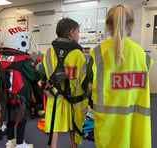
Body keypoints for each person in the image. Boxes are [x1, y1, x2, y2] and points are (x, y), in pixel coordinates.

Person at [89, 4, 153, 148]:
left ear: (107, 25)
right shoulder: (143, 56)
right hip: (136, 128)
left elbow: (87, 87)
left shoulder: (97, 54)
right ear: (132, 24)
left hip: (108, 130)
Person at [38, 18, 91, 148]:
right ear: (71, 32)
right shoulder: (78, 54)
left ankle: (53, 146)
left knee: (54, 124)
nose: (79, 35)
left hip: (54, 96)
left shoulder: (49, 52)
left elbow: (42, 72)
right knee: (74, 124)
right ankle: (73, 146)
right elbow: (84, 79)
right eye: (78, 32)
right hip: (74, 98)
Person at [0, 25, 39, 148]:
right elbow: (34, 77)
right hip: (20, 97)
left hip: (5, 96)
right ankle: (20, 144)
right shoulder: (23, 60)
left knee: (10, 119)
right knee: (21, 120)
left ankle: (10, 141)